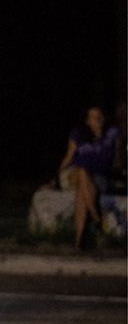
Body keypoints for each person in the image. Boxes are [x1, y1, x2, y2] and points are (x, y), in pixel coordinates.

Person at [54, 106, 120, 249]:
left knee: (81, 194)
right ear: (87, 121)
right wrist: (54, 178)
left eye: (99, 116)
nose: (97, 119)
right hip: (73, 173)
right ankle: (97, 219)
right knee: (82, 171)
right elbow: (69, 156)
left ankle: (79, 241)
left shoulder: (111, 134)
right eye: (93, 117)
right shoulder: (78, 134)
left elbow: (117, 159)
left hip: (97, 176)